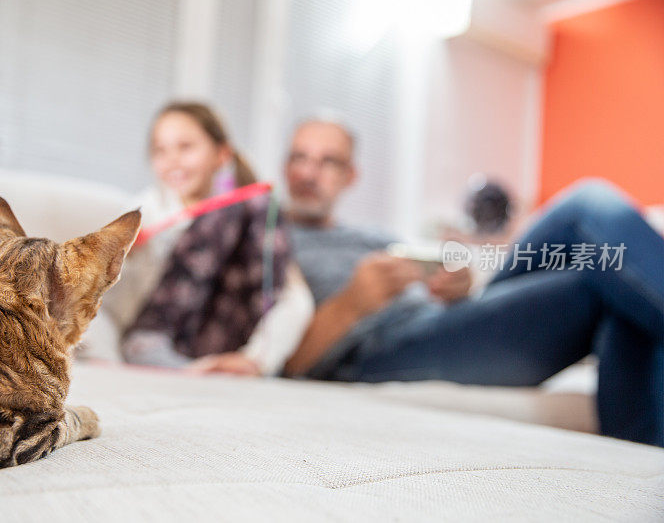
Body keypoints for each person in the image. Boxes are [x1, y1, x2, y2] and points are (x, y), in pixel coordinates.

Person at [281, 118, 664, 447]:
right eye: (299, 157)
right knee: (589, 215)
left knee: (604, 248)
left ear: (351, 175)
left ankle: (647, 444)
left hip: (444, 322)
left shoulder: (372, 237)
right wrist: (353, 302)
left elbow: (439, 297)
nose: (308, 173)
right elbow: (280, 361)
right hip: (380, 351)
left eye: (327, 161)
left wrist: (455, 287)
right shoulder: (269, 241)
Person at [102, 102, 313, 376]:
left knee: (257, 202)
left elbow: (294, 300)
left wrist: (258, 359)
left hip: (219, 341)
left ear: (222, 154)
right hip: (154, 335)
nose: (172, 160)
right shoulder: (142, 214)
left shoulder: (245, 215)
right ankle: (154, 345)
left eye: (185, 147)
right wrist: (119, 260)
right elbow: (102, 305)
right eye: (160, 150)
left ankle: (216, 366)